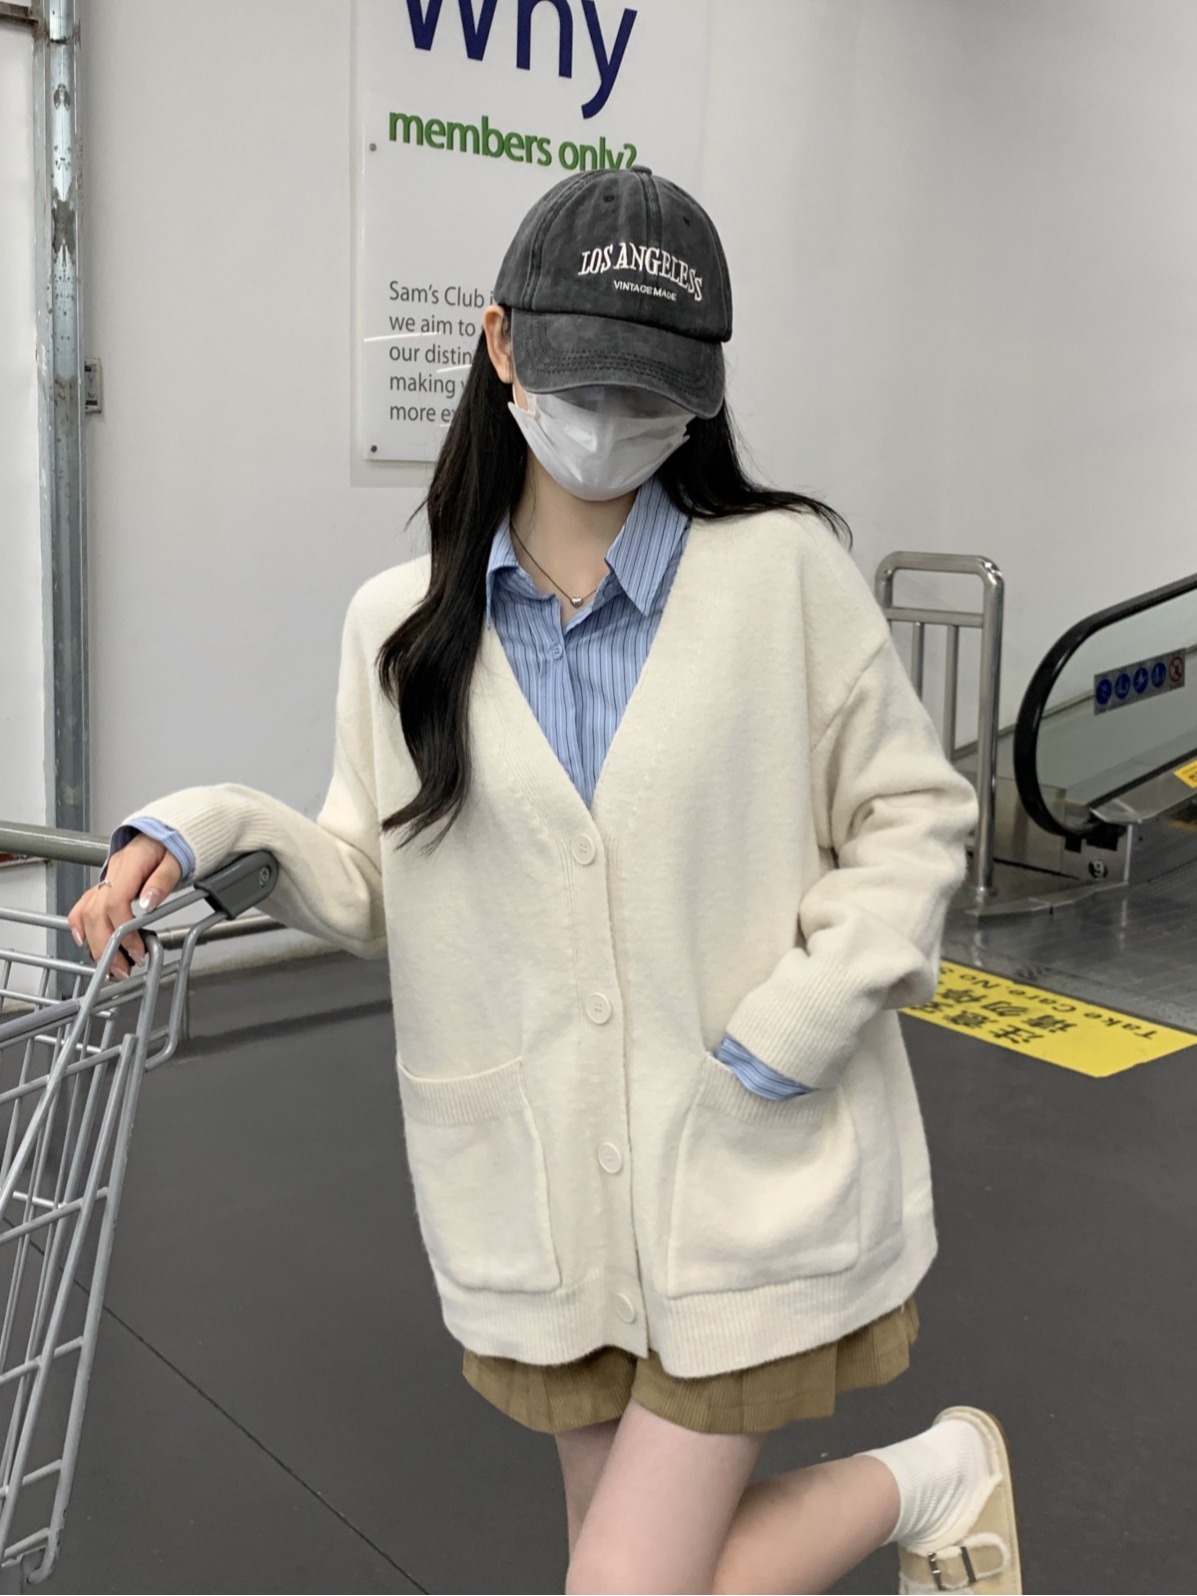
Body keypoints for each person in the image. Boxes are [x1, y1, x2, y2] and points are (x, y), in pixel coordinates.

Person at [69, 167, 1021, 1594]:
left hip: (746, 1169)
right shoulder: (400, 625)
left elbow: (912, 813)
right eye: (587, 379)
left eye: (654, 391)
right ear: (501, 344)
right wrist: (208, 828)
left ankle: (936, 1476)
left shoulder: (782, 574)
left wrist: (796, 1024)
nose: (613, 419)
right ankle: (942, 1478)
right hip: (538, 1197)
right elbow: (369, 879)